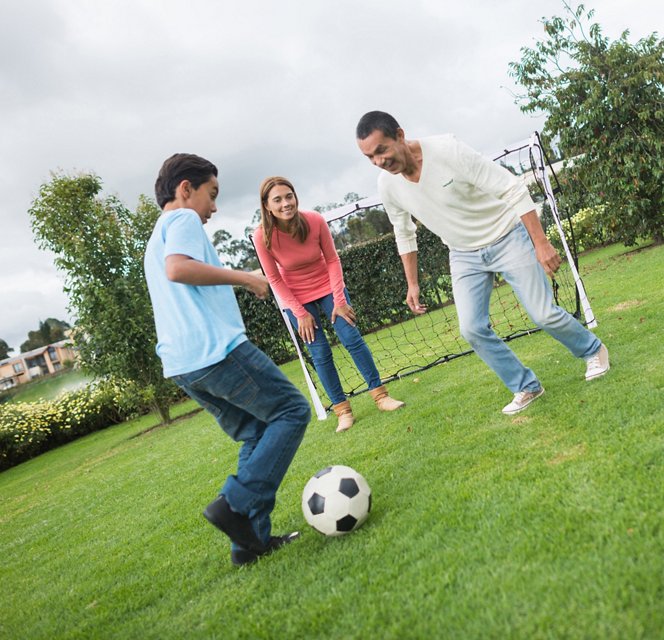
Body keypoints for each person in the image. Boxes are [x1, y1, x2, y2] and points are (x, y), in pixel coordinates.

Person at [355, 111, 610, 415]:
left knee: (542, 313)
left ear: (399, 134)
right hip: (463, 254)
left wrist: (541, 244)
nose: (378, 162)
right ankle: (526, 385)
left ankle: (594, 350)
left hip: (507, 235)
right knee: (472, 329)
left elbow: (512, 188)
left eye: (381, 150)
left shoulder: (447, 150)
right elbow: (404, 233)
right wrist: (412, 283)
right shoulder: (388, 186)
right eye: (370, 157)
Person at [144, 154, 311, 567]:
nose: (213, 208)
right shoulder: (181, 219)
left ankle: (248, 544)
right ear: (186, 189)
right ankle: (233, 504)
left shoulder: (155, 235)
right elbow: (179, 270)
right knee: (291, 410)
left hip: (184, 364)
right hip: (214, 350)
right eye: (211, 195)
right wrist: (248, 278)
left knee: (255, 433)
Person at [253, 176, 405, 433]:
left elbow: (333, 260)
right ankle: (343, 411)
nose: (285, 203)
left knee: (351, 338)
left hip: (328, 288)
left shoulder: (314, 220)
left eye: (288, 196)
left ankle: (381, 396)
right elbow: (274, 279)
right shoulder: (262, 236)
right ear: (267, 206)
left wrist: (339, 299)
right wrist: (299, 313)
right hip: (296, 299)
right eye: (277, 200)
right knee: (320, 353)